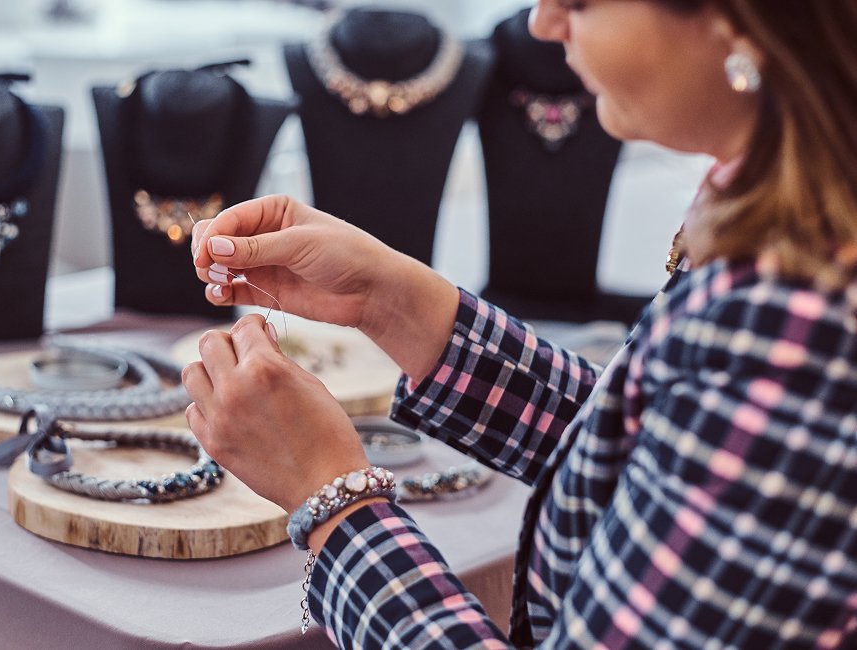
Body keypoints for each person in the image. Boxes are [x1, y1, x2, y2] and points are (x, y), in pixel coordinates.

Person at [181, 1, 857, 647]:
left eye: (581, 2)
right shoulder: (788, 207)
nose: (542, 22)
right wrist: (395, 301)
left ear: (740, 21)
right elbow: (661, 460)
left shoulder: (794, 324)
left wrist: (331, 497)